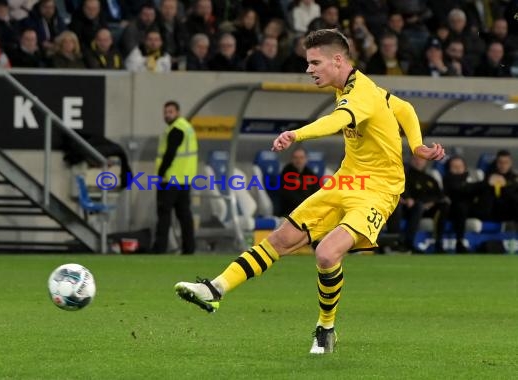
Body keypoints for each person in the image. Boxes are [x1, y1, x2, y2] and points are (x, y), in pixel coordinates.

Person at [174, 28, 445, 354]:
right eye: (308, 63)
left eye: (315, 62)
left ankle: (325, 328)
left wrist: (296, 135)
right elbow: (403, 108)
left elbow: (336, 121)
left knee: (327, 253)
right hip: (346, 181)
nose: (309, 69)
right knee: (280, 239)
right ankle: (215, 289)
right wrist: (416, 146)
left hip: (378, 190)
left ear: (337, 60)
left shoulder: (358, 96)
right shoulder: (362, 86)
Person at [152, 101, 198, 255]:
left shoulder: (176, 129)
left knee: (164, 215)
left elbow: (169, 154)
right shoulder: (186, 127)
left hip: (170, 180)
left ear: (178, 112)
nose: (167, 115)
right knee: (184, 215)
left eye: (170, 112)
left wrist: (160, 173)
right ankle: (189, 248)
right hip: (184, 180)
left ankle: (159, 249)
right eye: (165, 112)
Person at [398, 155, 449, 253]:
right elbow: (403, 191)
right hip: (410, 208)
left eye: (421, 160)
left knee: (444, 206)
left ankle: (439, 243)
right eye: (416, 159)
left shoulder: (430, 179)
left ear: (426, 162)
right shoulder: (405, 176)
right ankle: (408, 242)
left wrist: (430, 203)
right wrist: (411, 199)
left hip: (428, 208)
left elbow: (440, 196)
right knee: (418, 206)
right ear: (411, 161)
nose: (418, 162)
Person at [277, 147, 320, 216]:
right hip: (290, 212)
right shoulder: (286, 174)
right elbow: (290, 196)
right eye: (295, 158)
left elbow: (317, 192)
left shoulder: (310, 174)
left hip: (308, 210)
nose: (298, 160)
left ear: (306, 159)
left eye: (301, 158)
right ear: (291, 160)